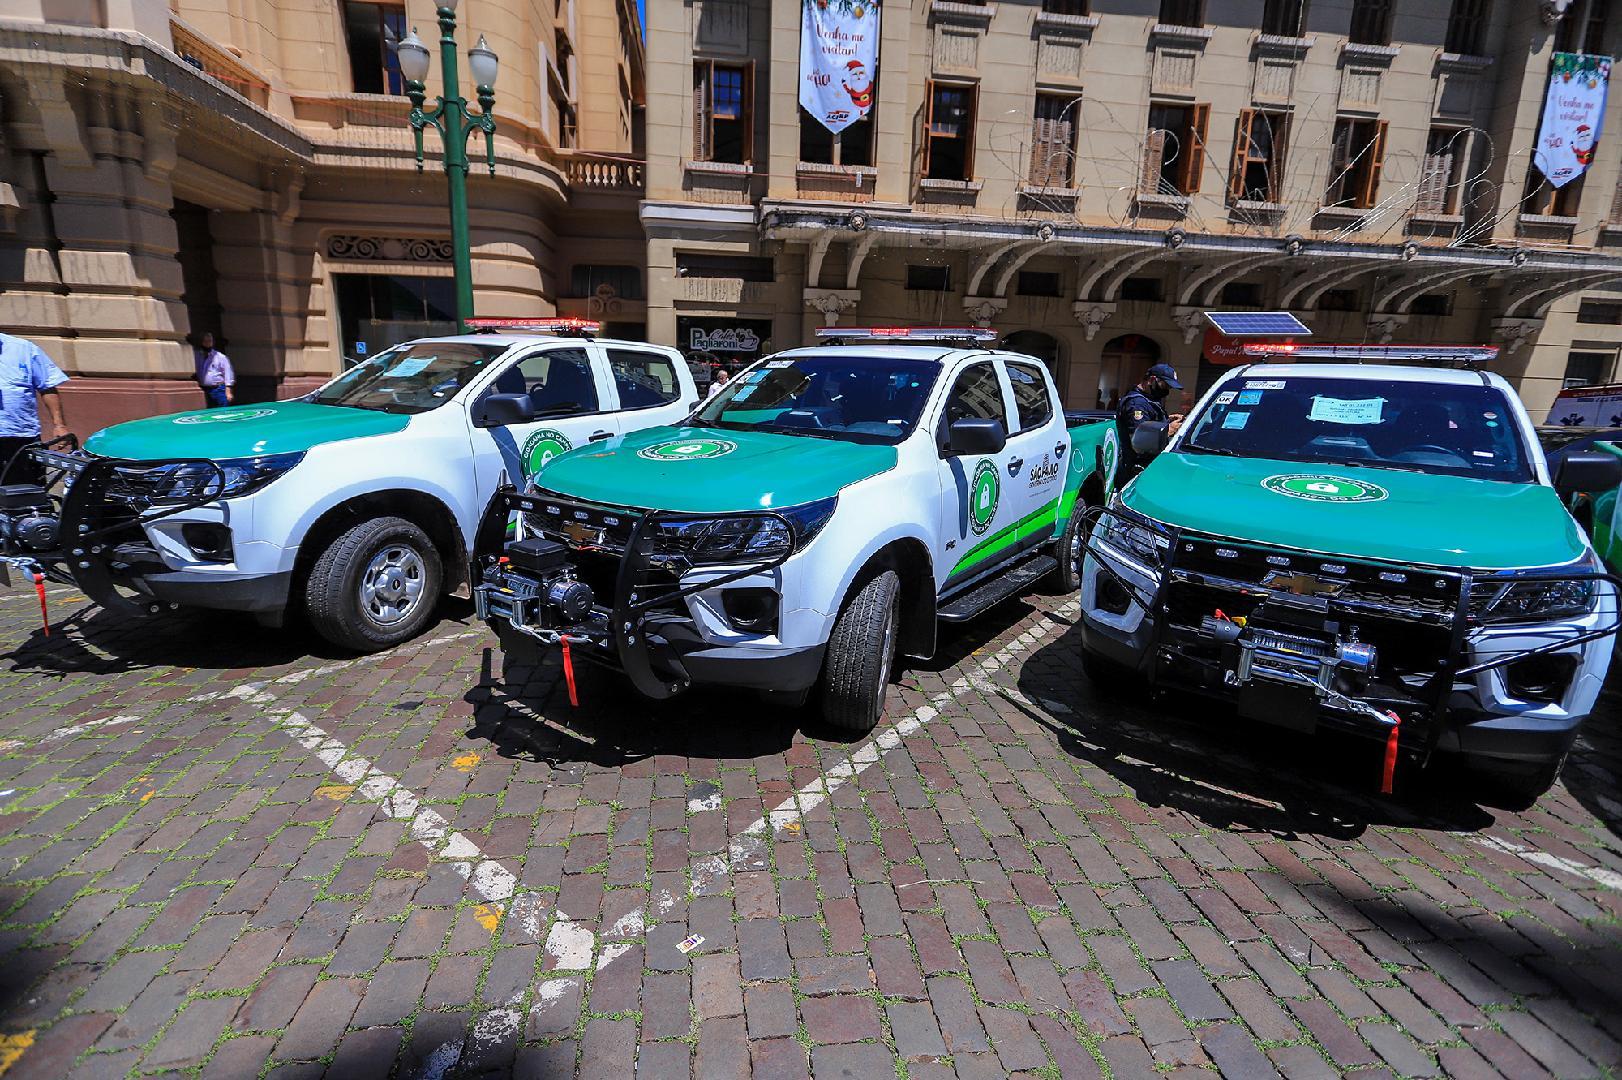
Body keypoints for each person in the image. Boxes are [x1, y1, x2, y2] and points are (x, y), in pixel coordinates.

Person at [0, 332, 69, 486]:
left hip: (21, 435)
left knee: (28, 491)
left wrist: (59, 425)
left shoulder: (23, 349)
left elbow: (47, 387)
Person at [1116, 362, 1185, 475]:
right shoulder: (1137, 404)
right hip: (1136, 469)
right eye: (1165, 385)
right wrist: (1169, 429)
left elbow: (1149, 424)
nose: (1167, 390)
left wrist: (1167, 421)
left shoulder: (1149, 399)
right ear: (1152, 380)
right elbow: (1139, 440)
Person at [194, 332, 235, 408]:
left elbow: (228, 374)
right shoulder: (197, 356)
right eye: (205, 341)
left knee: (223, 411)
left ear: (213, 342)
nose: (207, 343)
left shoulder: (220, 357)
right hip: (204, 389)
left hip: (219, 389)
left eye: (209, 341)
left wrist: (228, 391)